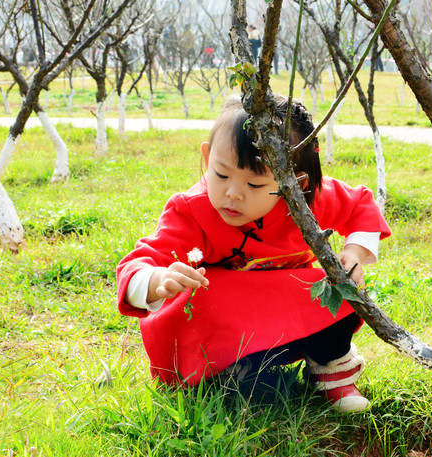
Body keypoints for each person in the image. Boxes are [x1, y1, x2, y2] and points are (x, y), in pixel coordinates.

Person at [116, 94, 391, 413]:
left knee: (337, 285)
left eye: (255, 184)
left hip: (286, 311)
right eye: (221, 174)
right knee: (201, 297)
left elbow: (360, 204)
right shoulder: (192, 210)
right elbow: (134, 266)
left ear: (293, 182)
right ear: (207, 158)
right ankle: (228, 376)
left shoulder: (304, 201)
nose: (233, 193)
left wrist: (354, 251)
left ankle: (332, 371)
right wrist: (158, 279)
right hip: (225, 325)